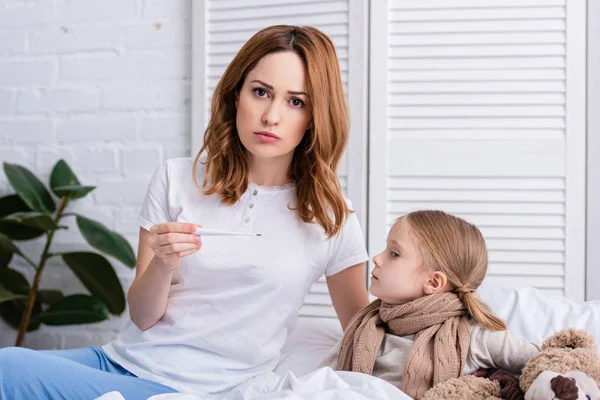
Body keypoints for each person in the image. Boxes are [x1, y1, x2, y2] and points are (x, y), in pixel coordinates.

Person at [0, 25, 369, 400]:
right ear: (235, 96)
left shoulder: (331, 217)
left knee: (9, 370)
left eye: (296, 101)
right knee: (5, 365)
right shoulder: (176, 178)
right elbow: (143, 317)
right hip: (119, 361)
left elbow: (363, 334)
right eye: (260, 92)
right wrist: (162, 263)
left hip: (194, 389)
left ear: (314, 116)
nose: (271, 116)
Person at [319, 210, 540, 400]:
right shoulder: (362, 328)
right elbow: (319, 385)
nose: (377, 258)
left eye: (394, 254)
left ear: (433, 282)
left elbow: (541, 363)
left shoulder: (474, 335)